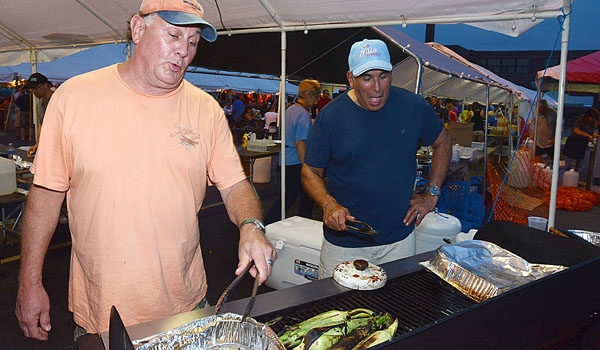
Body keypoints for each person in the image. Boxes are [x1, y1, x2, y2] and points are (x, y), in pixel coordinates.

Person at [15, 0, 276, 341]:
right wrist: (29, 281)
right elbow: (46, 196)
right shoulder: (74, 98)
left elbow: (235, 185)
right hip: (105, 313)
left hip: (188, 305)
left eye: (193, 41)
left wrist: (251, 226)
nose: (184, 50)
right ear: (138, 29)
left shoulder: (205, 109)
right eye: (173, 35)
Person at [301, 39, 451, 278]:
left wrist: (432, 193)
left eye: (383, 76)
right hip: (344, 243)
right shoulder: (331, 116)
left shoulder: (413, 107)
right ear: (351, 79)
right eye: (367, 78)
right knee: (339, 311)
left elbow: (443, 142)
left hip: (398, 240)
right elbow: (310, 170)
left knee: (396, 309)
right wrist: (328, 204)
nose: (377, 87)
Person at [265, 79, 321, 224]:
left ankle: (268, 222)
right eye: (316, 96)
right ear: (308, 95)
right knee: (303, 197)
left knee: (288, 197)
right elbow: (300, 142)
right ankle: (301, 223)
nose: (316, 100)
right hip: (295, 161)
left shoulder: (290, 110)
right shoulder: (303, 115)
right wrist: (306, 166)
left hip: (284, 159)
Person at [25, 73, 54, 156]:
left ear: (45, 85)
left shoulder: (58, 100)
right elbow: (41, 125)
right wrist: (38, 144)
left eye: (36, 88)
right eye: (31, 89)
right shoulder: (39, 105)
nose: (34, 91)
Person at [563, 108, 599, 173]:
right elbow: (576, 130)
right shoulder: (580, 121)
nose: (593, 120)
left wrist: (595, 136)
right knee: (571, 165)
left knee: (579, 165)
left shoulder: (591, 124)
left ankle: (576, 178)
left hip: (582, 146)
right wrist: (587, 135)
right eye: (592, 118)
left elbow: (591, 133)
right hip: (574, 145)